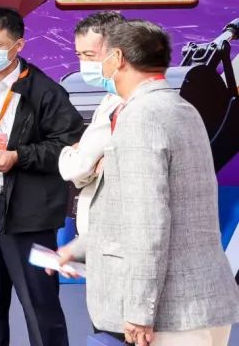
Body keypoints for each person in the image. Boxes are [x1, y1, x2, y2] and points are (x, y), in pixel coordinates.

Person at [57, 20, 239, 346]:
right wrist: (80, 248)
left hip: (170, 315)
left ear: (117, 58)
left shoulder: (139, 117)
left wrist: (140, 310)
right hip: (205, 303)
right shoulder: (182, 109)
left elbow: (148, 223)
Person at [0, 7, 85, 346]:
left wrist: (19, 157)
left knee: (40, 305)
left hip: (30, 215)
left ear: (18, 45)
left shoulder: (46, 92)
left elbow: (69, 144)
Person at [58, 12, 126, 245]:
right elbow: (84, 172)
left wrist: (71, 152)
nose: (83, 64)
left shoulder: (121, 103)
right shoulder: (109, 99)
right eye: (79, 55)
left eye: (90, 55)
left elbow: (76, 168)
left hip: (111, 236)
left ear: (118, 53)